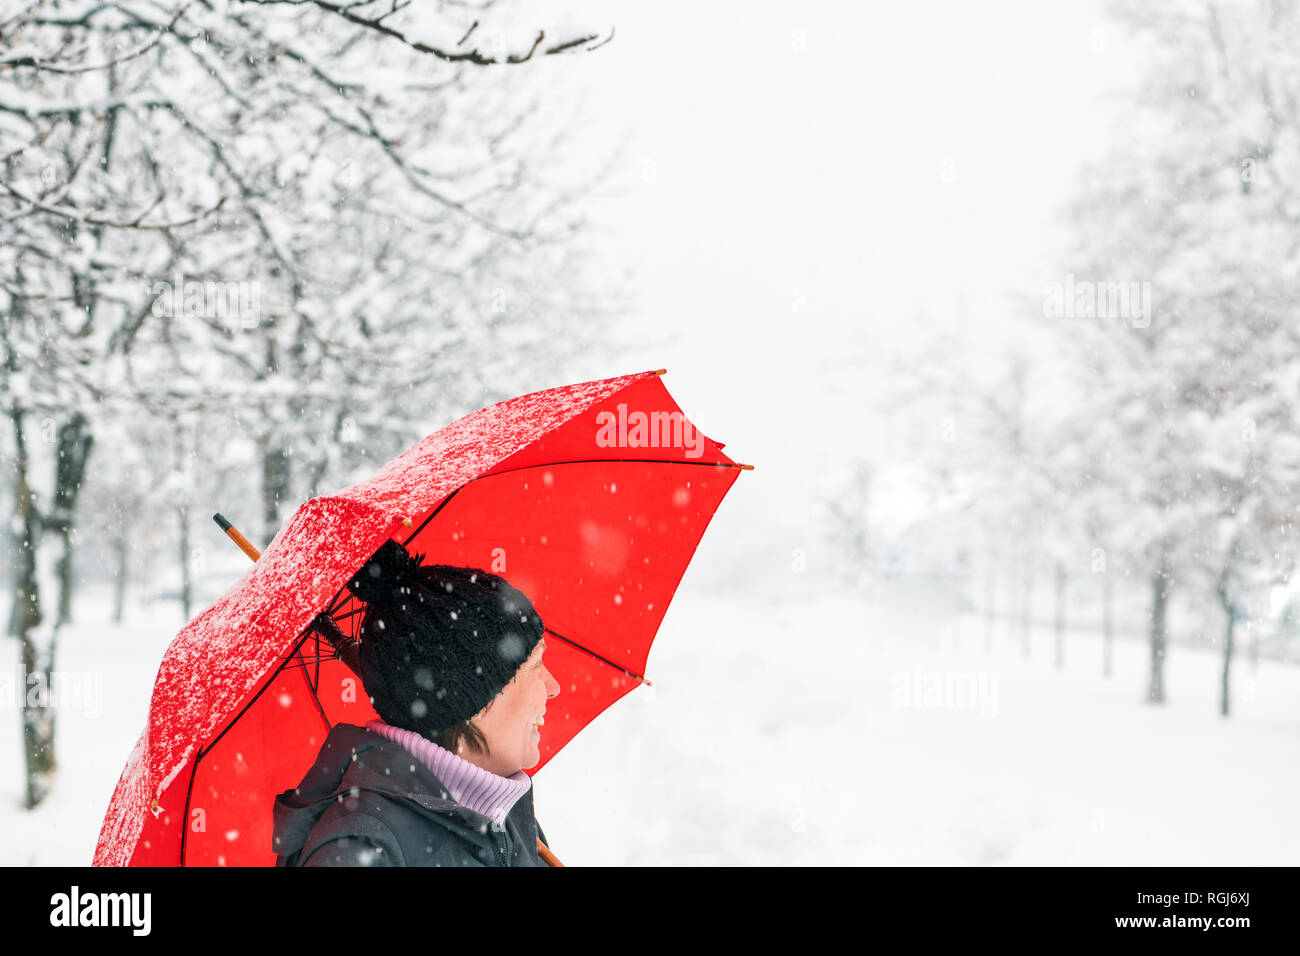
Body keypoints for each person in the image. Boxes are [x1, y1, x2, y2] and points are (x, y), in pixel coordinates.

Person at [272, 538, 561, 866]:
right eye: (535, 666)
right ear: (473, 701)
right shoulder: (360, 852)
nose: (554, 687)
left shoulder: (507, 816)